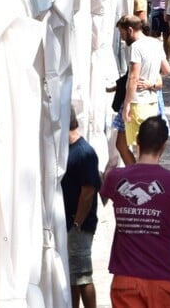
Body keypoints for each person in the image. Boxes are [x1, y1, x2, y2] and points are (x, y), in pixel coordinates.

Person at [101, 116, 170, 307]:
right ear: (164, 145)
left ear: (138, 141)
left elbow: (99, 202)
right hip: (165, 280)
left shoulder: (116, 178)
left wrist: (107, 174)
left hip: (126, 279)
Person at [61, 108, 101, 308]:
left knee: (83, 274)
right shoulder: (71, 150)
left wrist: (77, 223)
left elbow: (88, 191)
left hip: (79, 225)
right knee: (73, 275)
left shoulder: (84, 153)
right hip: (72, 223)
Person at [117, 15, 167, 158]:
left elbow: (133, 77)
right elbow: (166, 69)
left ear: (130, 30)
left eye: (122, 33)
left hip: (137, 103)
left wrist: (126, 104)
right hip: (152, 103)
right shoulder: (155, 43)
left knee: (139, 148)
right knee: (147, 146)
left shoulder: (136, 47)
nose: (122, 38)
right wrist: (152, 82)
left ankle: (140, 176)